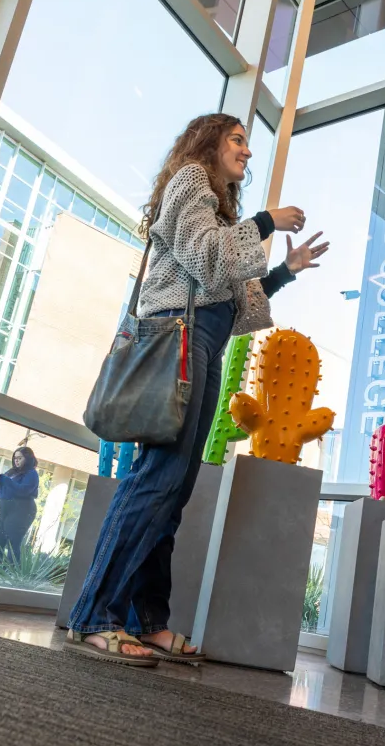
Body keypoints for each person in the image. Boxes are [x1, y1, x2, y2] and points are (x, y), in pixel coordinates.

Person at [66, 113, 329, 667]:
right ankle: (95, 615)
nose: (248, 152)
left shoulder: (217, 209)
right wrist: (265, 220)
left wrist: (286, 269)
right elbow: (211, 258)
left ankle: (146, 619)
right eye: (238, 140)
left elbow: (228, 301)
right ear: (208, 143)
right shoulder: (189, 181)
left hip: (202, 339)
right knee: (158, 479)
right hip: (178, 340)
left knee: (175, 487)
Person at [0, 446, 41, 564]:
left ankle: (10, 575)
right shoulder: (12, 472)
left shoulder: (32, 473)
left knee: (13, 545)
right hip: (4, 511)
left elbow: (23, 490)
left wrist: (5, 480)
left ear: (27, 458)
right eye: (15, 458)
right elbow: (0, 489)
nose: (16, 461)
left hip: (21, 511)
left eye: (20, 458)